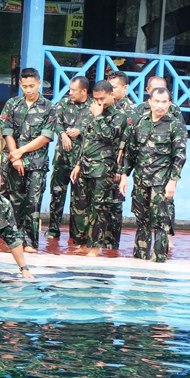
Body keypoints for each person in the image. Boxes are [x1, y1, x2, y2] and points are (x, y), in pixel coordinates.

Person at [119, 87, 186, 263]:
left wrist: (173, 181)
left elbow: (179, 156)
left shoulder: (175, 125)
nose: (160, 105)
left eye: (164, 102)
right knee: (142, 221)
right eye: (156, 101)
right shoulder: (140, 122)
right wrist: (124, 176)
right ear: (150, 102)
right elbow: (130, 152)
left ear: (170, 104)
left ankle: (159, 260)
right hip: (141, 179)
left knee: (161, 222)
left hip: (161, 181)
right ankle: (140, 259)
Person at [0, 68, 56, 253]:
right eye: (24, 86)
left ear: (39, 83)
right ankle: (15, 242)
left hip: (36, 163)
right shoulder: (12, 104)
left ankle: (30, 243)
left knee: (33, 202)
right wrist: (15, 155)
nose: (28, 90)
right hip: (15, 162)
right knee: (14, 202)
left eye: (31, 86)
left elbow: (45, 136)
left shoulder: (48, 107)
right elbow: (6, 130)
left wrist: (20, 152)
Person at [69, 80, 128, 257]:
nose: (99, 102)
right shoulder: (91, 111)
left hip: (104, 170)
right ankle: (82, 244)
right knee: (80, 207)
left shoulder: (119, 116)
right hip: (85, 166)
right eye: (95, 99)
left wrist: (98, 116)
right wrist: (78, 163)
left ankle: (95, 248)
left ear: (111, 94)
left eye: (102, 98)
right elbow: (85, 140)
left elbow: (109, 136)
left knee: (99, 209)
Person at [46, 76, 90, 242]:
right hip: (62, 158)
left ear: (84, 91)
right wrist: (63, 134)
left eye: (74, 90)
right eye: (70, 89)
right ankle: (53, 229)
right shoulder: (63, 104)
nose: (70, 93)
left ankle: (76, 234)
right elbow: (54, 122)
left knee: (79, 198)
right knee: (57, 194)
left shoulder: (92, 107)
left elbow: (95, 127)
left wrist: (81, 131)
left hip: (80, 161)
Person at [107, 71, 137, 249]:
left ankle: (112, 245)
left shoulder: (131, 112)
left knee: (115, 206)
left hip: (118, 166)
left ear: (125, 88)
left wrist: (122, 169)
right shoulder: (105, 107)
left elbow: (131, 144)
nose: (110, 91)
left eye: (114, 88)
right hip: (100, 163)